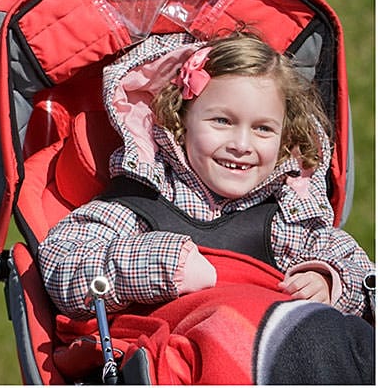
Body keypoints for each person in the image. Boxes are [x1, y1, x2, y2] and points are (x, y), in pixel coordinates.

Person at [37, 30, 374, 383]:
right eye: (222, 122)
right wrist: (162, 263)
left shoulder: (288, 216)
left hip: (282, 346)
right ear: (181, 120)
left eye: (262, 129)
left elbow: (363, 275)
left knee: (351, 342)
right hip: (192, 346)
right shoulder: (143, 201)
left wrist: (328, 279)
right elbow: (63, 263)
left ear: (285, 136)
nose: (241, 144)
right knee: (227, 326)